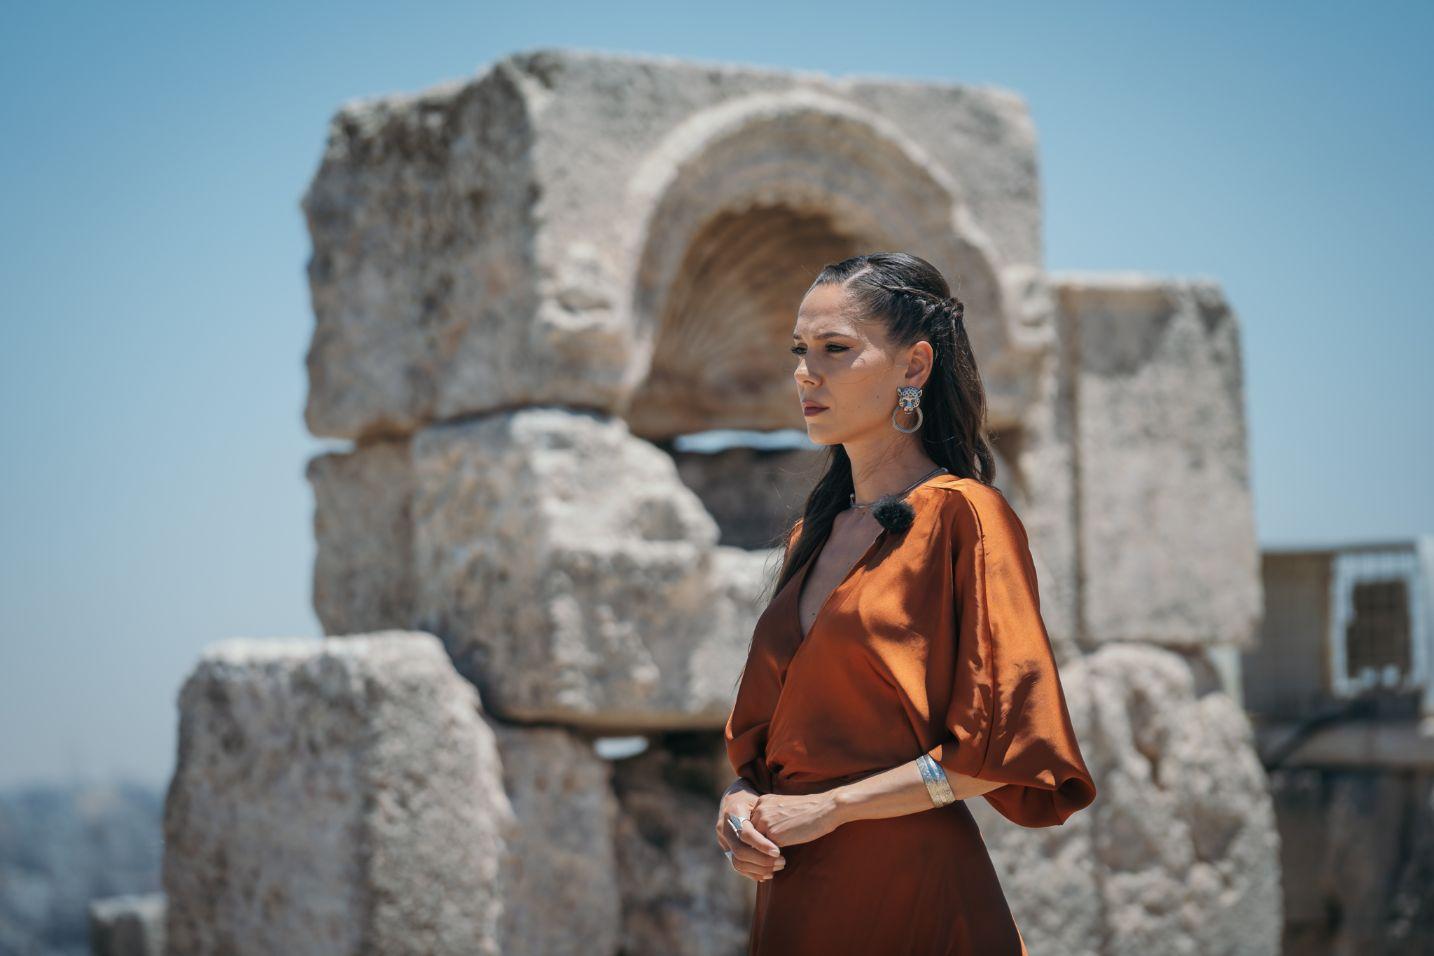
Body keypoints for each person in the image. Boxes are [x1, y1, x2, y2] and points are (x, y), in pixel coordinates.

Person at [717, 252, 1098, 954]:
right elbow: (770, 748)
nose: (806, 372)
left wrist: (832, 808)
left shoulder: (965, 516)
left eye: (835, 349)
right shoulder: (811, 536)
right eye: (801, 350)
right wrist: (740, 802)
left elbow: (994, 750)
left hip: (917, 895)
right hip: (798, 899)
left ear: (914, 366)